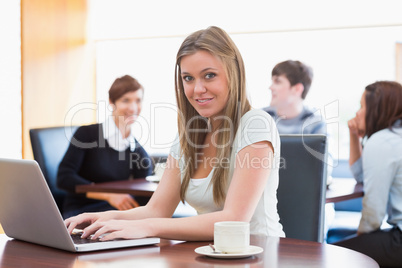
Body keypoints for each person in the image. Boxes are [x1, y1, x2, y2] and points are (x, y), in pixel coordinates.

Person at [64, 26, 285, 241]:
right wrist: (101, 218)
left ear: (233, 73)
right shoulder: (188, 138)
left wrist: (146, 228)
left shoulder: (255, 124)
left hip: (260, 253)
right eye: (188, 78)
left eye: (209, 75)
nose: (197, 89)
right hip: (210, 254)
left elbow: (234, 219)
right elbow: (156, 210)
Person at [57, 75, 153, 219]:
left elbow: (143, 180)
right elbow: (64, 178)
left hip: (114, 211)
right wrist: (109, 196)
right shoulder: (87, 134)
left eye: (138, 100)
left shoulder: (134, 146)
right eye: (126, 100)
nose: (133, 108)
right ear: (111, 102)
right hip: (83, 210)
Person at [333, 81, 402, 267]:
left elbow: (373, 212)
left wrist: (360, 243)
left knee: (331, 255)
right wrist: (354, 136)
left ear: (377, 109)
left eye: (362, 106)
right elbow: (361, 176)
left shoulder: (383, 141)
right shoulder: (394, 137)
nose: (357, 112)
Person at [263, 60, 325, 135]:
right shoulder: (261, 118)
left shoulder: (315, 123)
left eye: (277, 81)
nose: (271, 87)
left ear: (297, 89)